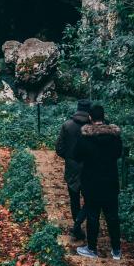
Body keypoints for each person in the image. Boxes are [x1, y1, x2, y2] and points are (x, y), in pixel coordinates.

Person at [73, 103, 123, 260]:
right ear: (103, 117)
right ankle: (116, 250)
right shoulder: (115, 138)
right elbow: (118, 154)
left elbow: (76, 155)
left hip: (91, 182)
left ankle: (92, 249)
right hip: (110, 182)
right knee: (112, 216)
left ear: (90, 118)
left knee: (93, 215)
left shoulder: (85, 137)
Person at [55, 98, 91, 240]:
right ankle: (81, 222)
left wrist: (70, 158)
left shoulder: (67, 125)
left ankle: (77, 226)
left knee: (74, 198)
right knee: (91, 199)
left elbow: (59, 148)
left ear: (77, 108)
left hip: (72, 168)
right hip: (90, 167)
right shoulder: (93, 127)